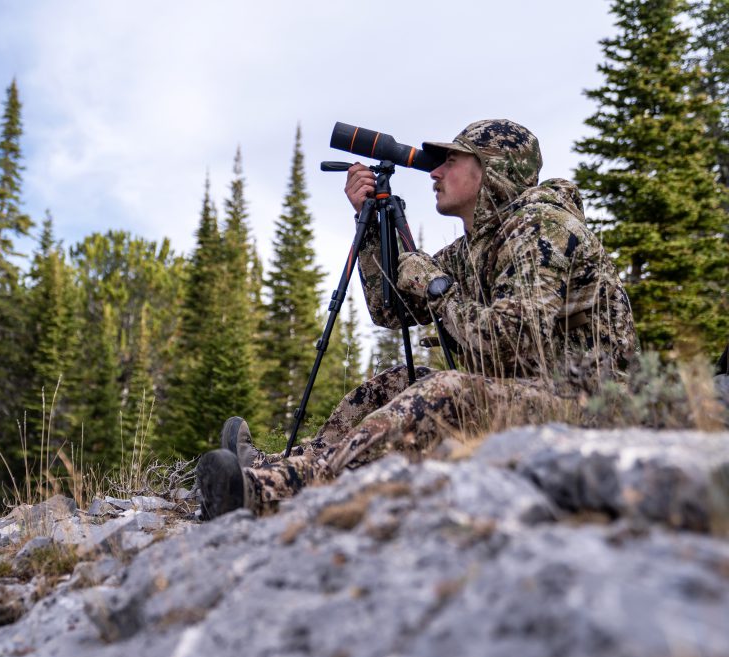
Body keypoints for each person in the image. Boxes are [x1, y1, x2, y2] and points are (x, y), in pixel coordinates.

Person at [195, 119, 639, 520]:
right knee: (398, 380)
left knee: (446, 389)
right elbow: (391, 310)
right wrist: (370, 224)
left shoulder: (543, 227)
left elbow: (511, 338)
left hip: (585, 409)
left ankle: (272, 492)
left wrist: (436, 286)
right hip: (526, 400)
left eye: (450, 161)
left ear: (494, 170)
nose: (435, 173)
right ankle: (285, 465)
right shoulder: (476, 246)